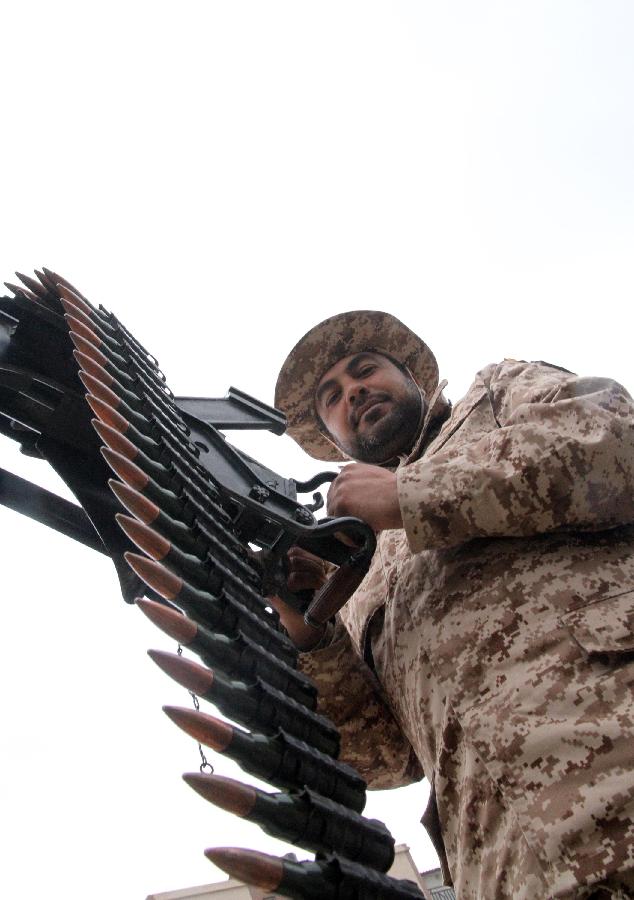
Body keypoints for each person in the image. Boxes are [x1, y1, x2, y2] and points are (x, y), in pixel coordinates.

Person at [270, 310, 634, 900]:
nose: (353, 392)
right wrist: (310, 627)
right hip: (505, 863)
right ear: (332, 440)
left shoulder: (494, 396)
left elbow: (614, 442)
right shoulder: (357, 572)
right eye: (331, 398)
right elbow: (388, 756)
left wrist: (413, 496)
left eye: (365, 371)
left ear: (414, 378)